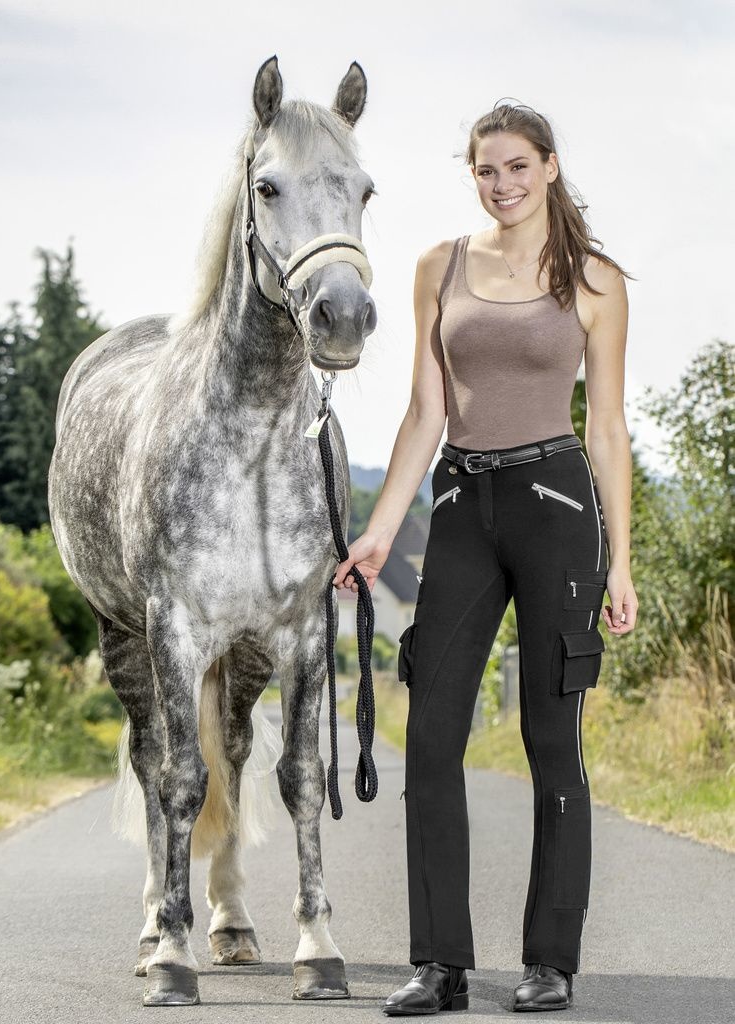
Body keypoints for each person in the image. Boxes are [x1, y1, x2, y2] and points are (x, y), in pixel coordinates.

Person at [331, 100, 638, 1015]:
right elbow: (424, 414)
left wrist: (620, 561)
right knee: (430, 736)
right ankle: (440, 964)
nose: (499, 184)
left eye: (515, 167)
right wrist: (381, 528)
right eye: (484, 170)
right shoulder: (439, 266)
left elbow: (610, 430)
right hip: (461, 507)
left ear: (548, 166)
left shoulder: (594, 280)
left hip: (555, 505)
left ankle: (551, 960)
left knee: (553, 740)